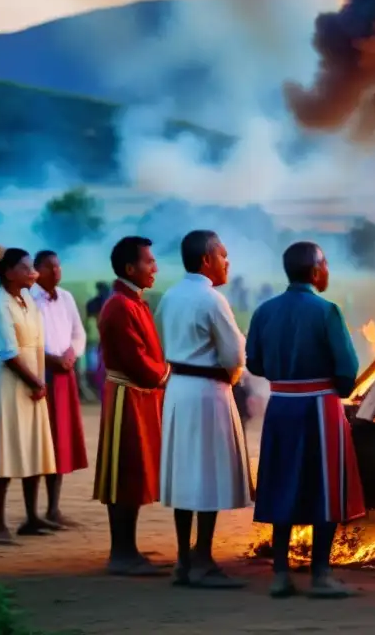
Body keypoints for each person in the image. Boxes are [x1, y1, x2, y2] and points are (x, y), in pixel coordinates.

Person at [247, 242, 366, 599]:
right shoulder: (326, 310)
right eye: (326, 264)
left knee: (282, 482)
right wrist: (339, 389)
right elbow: (347, 367)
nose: (328, 270)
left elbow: (255, 363)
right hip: (319, 406)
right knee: (325, 488)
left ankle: (281, 574)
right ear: (315, 272)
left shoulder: (264, 311)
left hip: (281, 404)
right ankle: (321, 575)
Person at [157, 230, 251, 588]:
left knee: (185, 473)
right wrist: (235, 373)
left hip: (179, 389)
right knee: (208, 472)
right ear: (206, 260)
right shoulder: (212, 300)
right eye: (223, 255)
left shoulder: (169, 296)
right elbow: (234, 355)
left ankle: (184, 559)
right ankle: (204, 560)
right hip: (208, 390)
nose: (227, 262)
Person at [94, 236, 170, 575]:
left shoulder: (134, 302)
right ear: (130, 268)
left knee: (136, 471)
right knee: (125, 471)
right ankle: (121, 552)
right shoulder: (120, 306)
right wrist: (167, 372)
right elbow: (136, 360)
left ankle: (128, 547)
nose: (155, 267)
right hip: (128, 395)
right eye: (148, 262)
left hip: (139, 394)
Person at [0, 248, 58, 544]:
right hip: (11, 383)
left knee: (34, 445)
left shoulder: (27, 299)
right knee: (5, 450)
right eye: (26, 268)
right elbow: (8, 352)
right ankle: (0, 525)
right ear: (8, 272)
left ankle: (32, 516)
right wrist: (35, 381)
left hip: (34, 380)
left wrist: (39, 381)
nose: (32, 272)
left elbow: (37, 343)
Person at [30, 250, 89, 527]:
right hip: (40, 374)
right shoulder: (29, 299)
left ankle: (54, 508)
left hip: (64, 376)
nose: (56, 271)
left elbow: (79, 333)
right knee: (39, 441)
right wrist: (51, 358)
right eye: (49, 266)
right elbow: (26, 340)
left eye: (58, 266)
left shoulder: (65, 297)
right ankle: (33, 512)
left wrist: (71, 354)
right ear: (37, 269)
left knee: (61, 441)